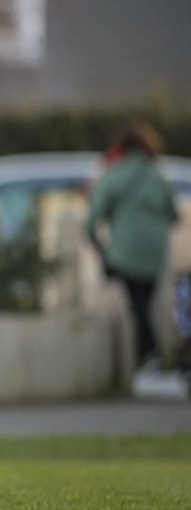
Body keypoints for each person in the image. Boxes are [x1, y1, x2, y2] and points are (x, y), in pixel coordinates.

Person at [86, 122, 179, 372]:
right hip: (156, 254)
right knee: (143, 305)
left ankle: (151, 353)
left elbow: (92, 220)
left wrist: (100, 247)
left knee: (137, 306)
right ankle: (146, 358)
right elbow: (173, 215)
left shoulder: (114, 176)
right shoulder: (158, 177)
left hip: (125, 253)